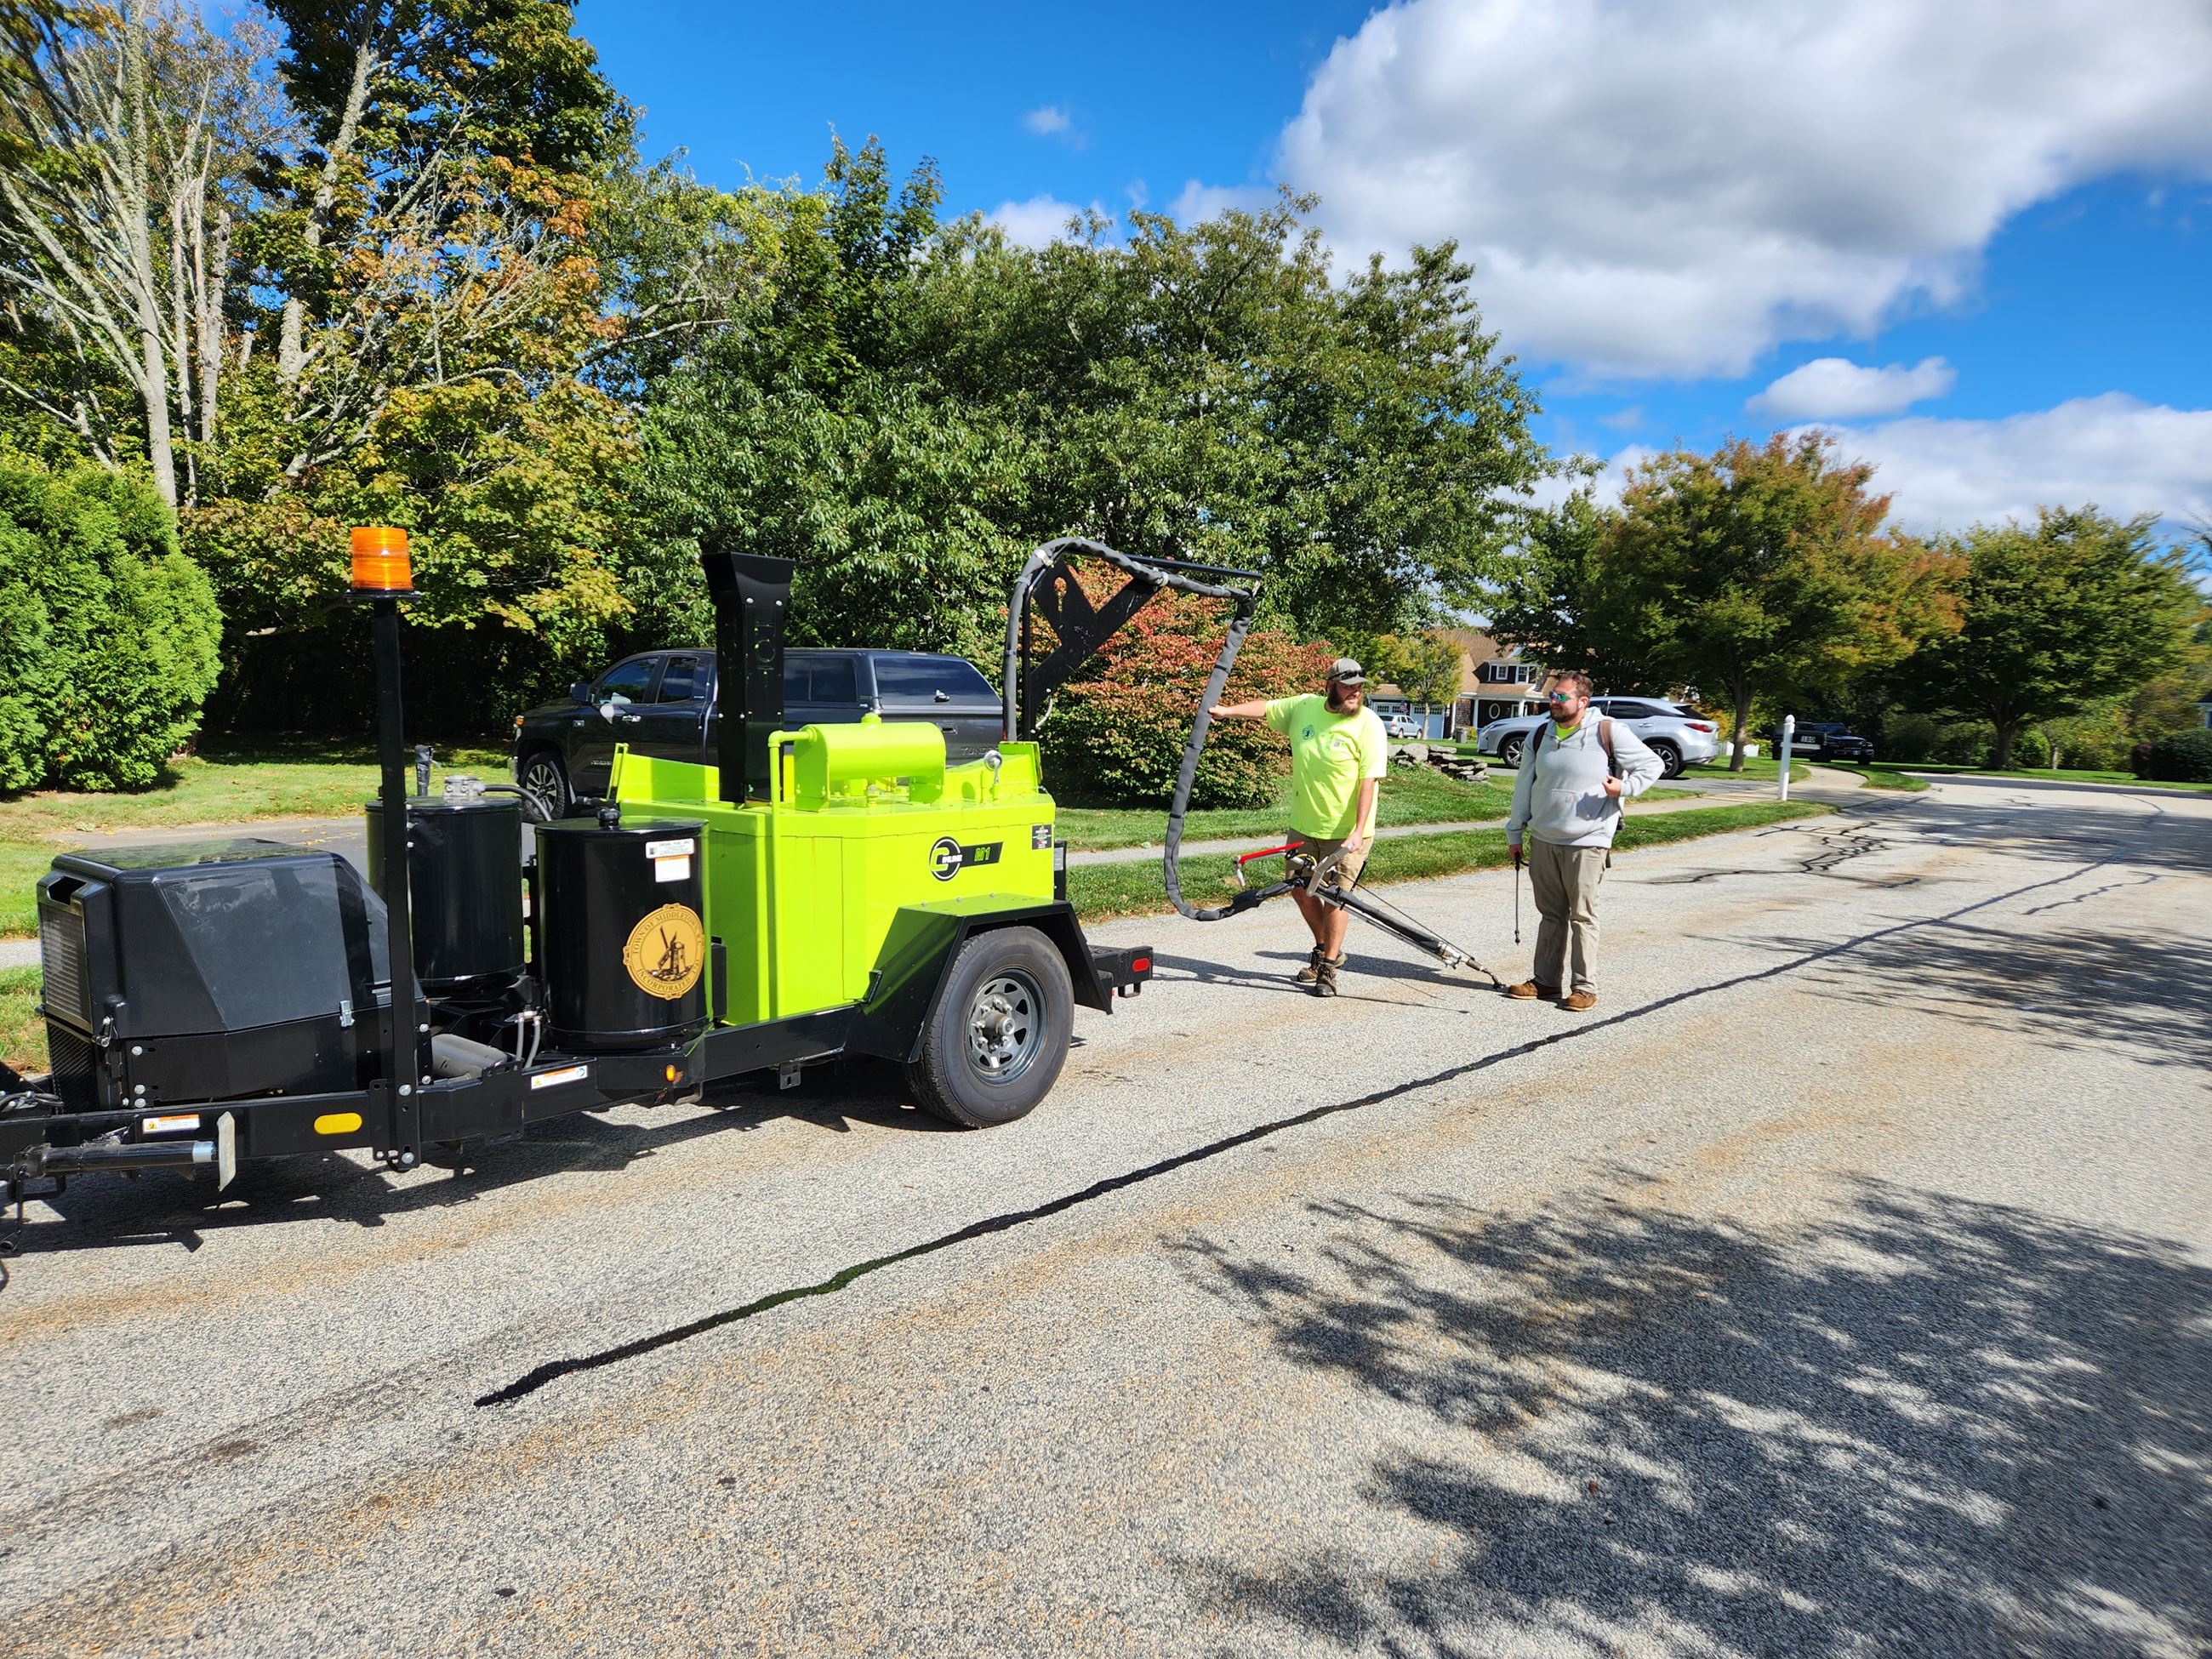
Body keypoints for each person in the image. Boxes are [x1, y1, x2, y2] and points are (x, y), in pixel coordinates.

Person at [1210, 658, 1387, 996]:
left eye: (1359, 686)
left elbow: (1369, 782)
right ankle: (1324, 948)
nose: (1355, 692)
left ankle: (1328, 970)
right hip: (1304, 826)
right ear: (1329, 686)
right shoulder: (1304, 708)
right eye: (1348, 686)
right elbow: (1266, 708)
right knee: (1298, 889)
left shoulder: (1369, 725)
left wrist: (1357, 830)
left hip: (1347, 832)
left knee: (1337, 898)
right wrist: (1226, 712)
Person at [1503, 672, 1662, 1011]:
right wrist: (1515, 831)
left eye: (1561, 697)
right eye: (1552, 696)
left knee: (1583, 915)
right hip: (1544, 837)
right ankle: (1545, 981)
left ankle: (1584, 987)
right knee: (1551, 915)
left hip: (1589, 840)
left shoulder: (1608, 731)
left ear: (1583, 702)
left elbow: (1653, 764)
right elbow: (1524, 786)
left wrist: (1625, 787)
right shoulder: (1541, 733)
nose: (1553, 702)